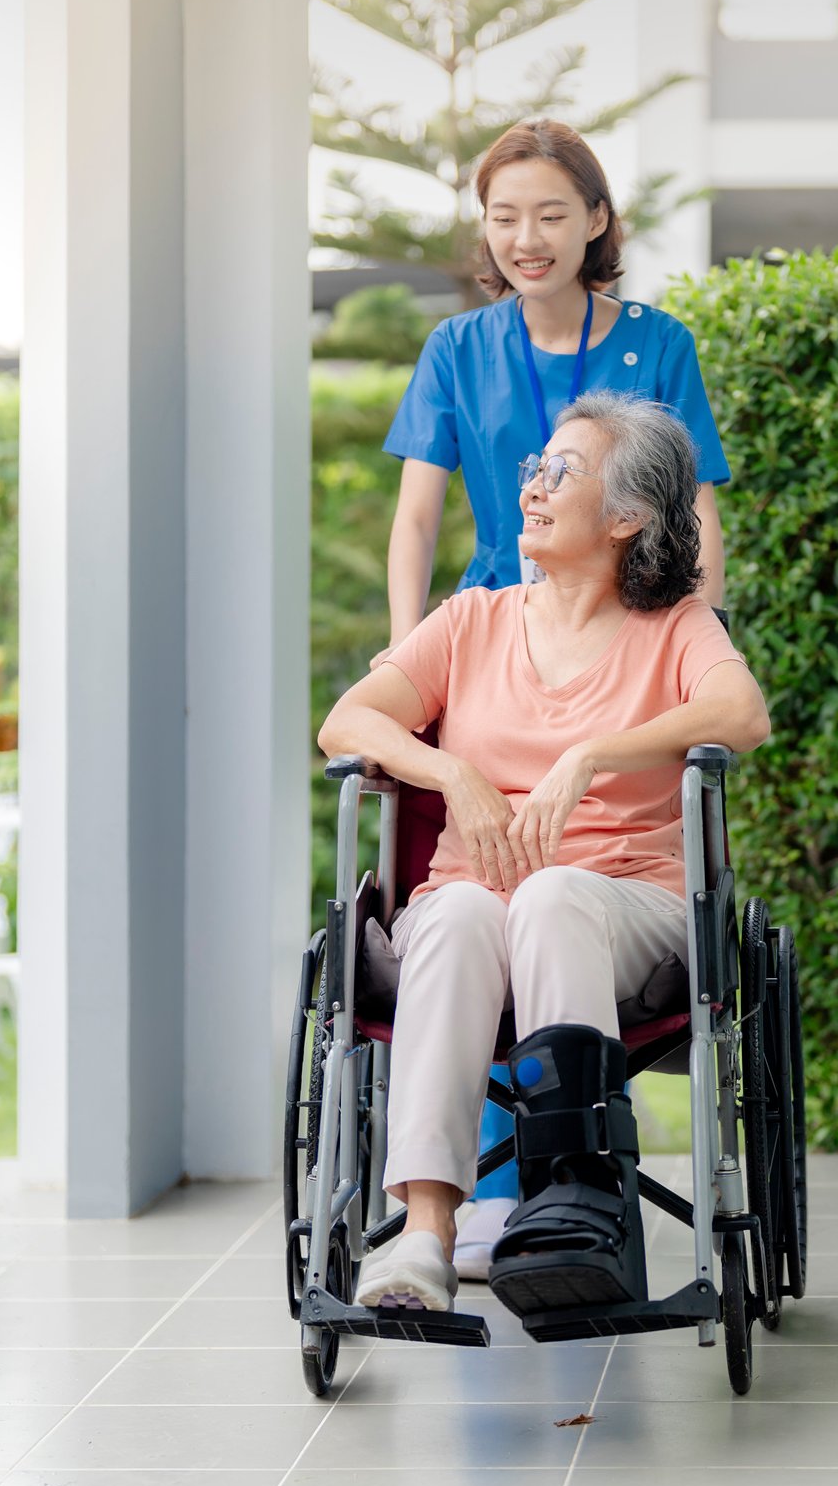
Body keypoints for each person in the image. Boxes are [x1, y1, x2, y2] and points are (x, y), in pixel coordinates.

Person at [320, 392, 769, 1314]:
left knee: (554, 895)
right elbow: (349, 720)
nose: (533, 485)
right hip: (478, 904)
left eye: (562, 470)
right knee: (453, 913)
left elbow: (742, 715)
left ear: (627, 516)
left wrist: (592, 754)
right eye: (535, 467)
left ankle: (579, 1200)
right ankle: (426, 1238)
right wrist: (452, 772)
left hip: (625, 907)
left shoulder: (675, 627)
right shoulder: (471, 621)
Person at [379, 117, 733, 1276]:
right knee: (476, 901)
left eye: (548, 213)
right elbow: (419, 516)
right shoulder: (459, 348)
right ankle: (484, 1201)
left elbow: (698, 512)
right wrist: (410, 682)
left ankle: (572, 1187)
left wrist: (677, 627)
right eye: (503, 217)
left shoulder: (654, 344)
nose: (525, 237)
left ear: (596, 220)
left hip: (621, 613)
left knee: (571, 885)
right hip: (496, 632)